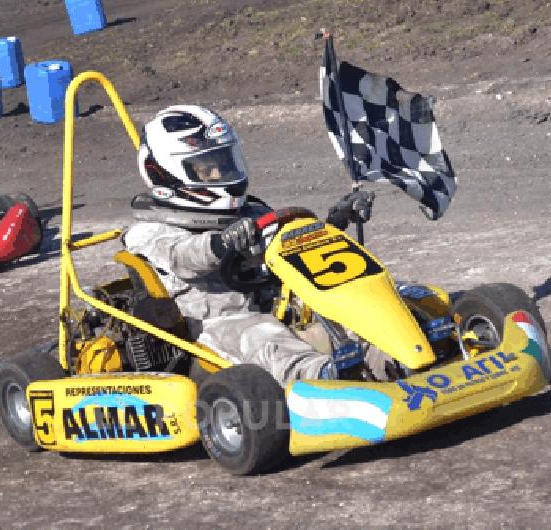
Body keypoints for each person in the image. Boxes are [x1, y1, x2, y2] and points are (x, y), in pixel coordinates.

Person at [122, 105, 377, 387]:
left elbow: (288, 242)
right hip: (215, 328)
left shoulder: (250, 213)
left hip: (274, 304)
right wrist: (220, 244)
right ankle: (323, 381)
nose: (219, 172)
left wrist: (336, 221)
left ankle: (388, 361)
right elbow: (182, 257)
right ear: (166, 174)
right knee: (264, 335)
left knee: (345, 309)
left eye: (224, 162)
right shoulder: (147, 232)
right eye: (207, 169)